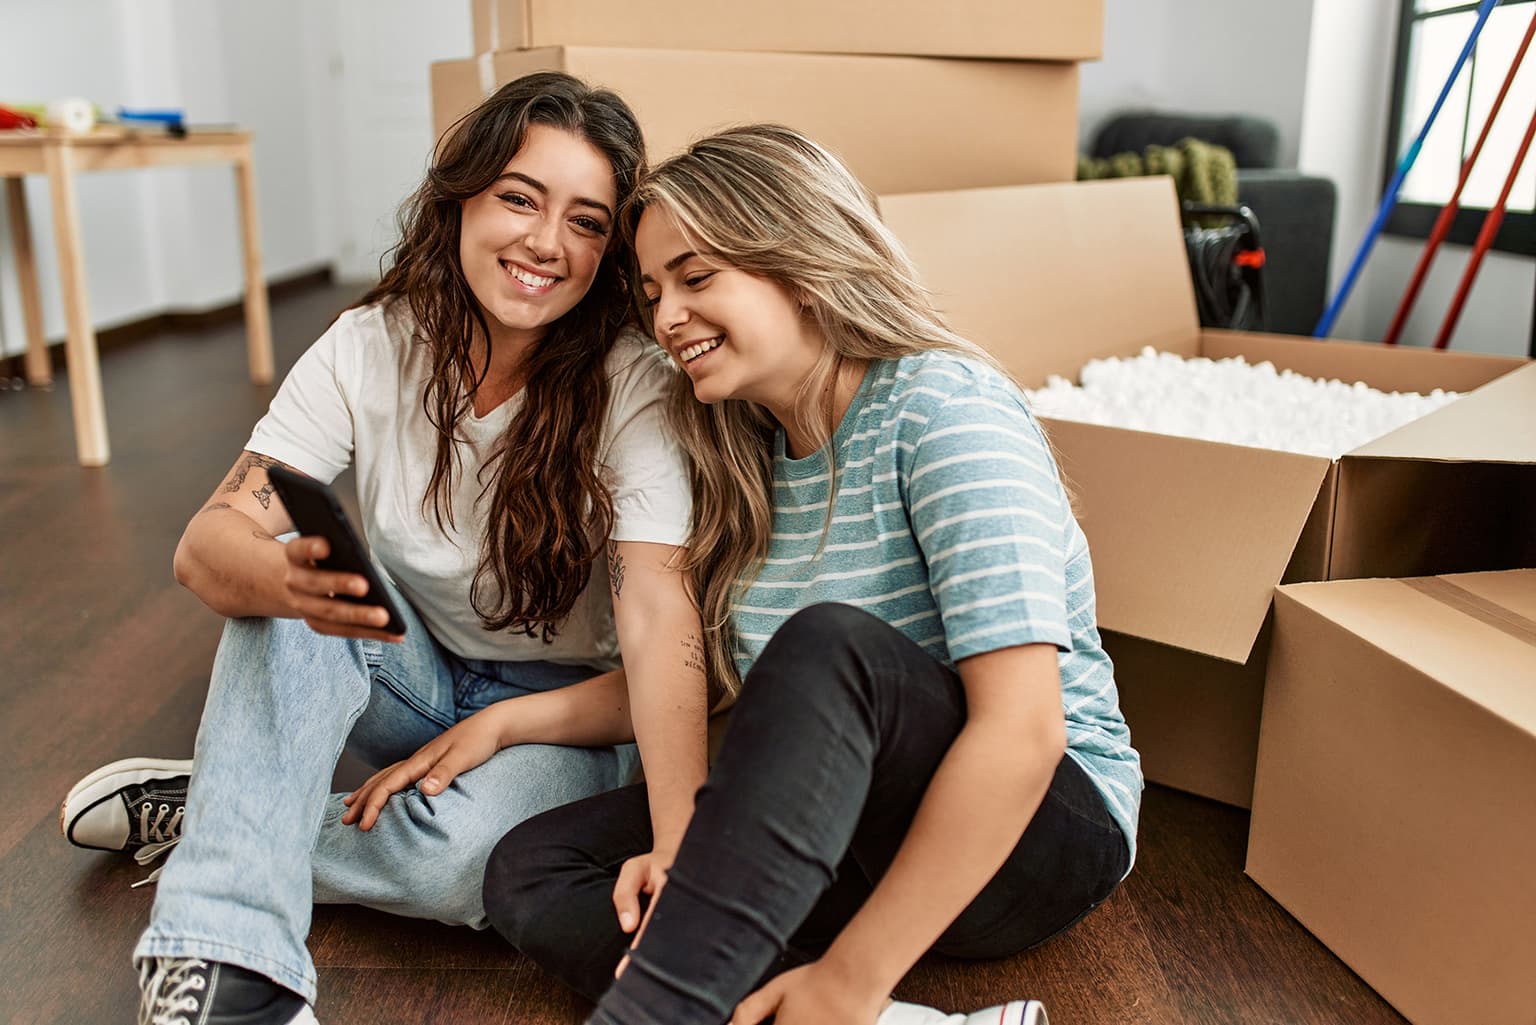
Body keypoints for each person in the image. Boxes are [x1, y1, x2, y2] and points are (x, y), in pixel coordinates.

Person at [58, 73, 708, 1025]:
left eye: (587, 221)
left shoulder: (633, 382)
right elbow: (207, 546)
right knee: (286, 595)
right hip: (417, 674)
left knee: (459, 863)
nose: (545, 243)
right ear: (460, 198)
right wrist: (287, 579)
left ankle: (231, 807)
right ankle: (228, 968)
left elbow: (658, 626)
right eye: (520, 199)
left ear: (611, 249)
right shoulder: (370, 345)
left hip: (570, 714)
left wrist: (682, 843)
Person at [478, 124, 1145, 1025]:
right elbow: (722, 693)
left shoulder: (945, 409)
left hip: (1035, 831)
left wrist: (848, 977)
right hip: (848, 831)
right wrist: (504, 722)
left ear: (798, 259)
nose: (667, 315)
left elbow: (1023, 735)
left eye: (696, 276)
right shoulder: (738, 460)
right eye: (651, 291)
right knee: (534, 867)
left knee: (831, 644)